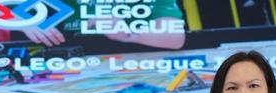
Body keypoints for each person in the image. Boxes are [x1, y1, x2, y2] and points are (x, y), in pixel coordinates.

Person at [23, 0, 186, 49]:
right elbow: (8, 8)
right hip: (73, 63)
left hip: (133, 60)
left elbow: (175, 39)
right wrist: (22, 22)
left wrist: (129, 35)